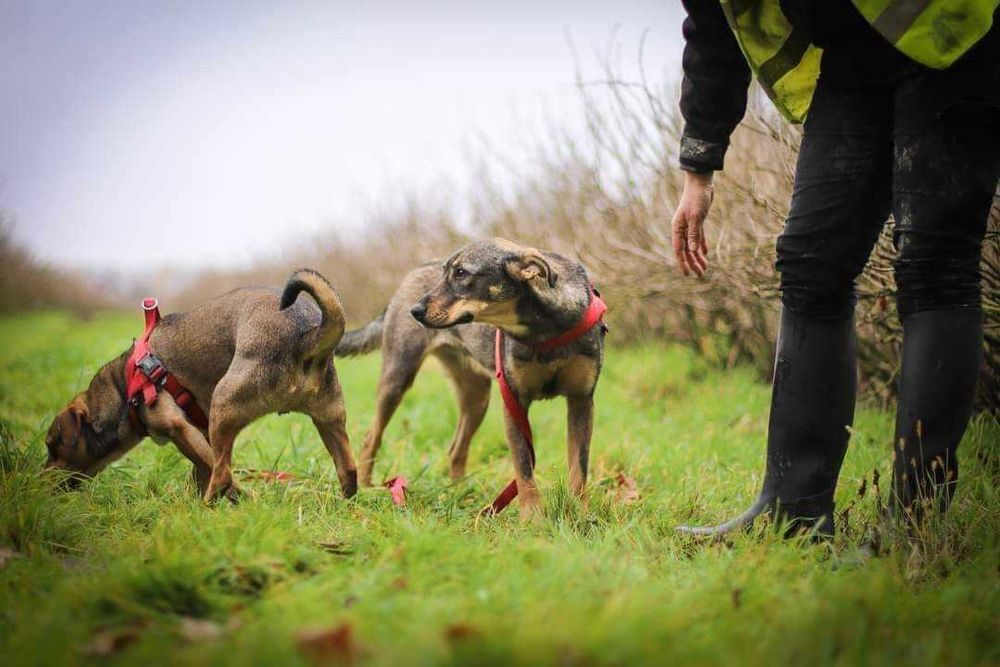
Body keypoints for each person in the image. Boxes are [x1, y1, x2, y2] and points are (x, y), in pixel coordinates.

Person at [672, 0, 999, 536]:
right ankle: (793, 513)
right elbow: (713, 24)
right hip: (854, 55)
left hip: (954, 32)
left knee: (934, 263)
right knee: (810, 263)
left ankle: (915, 525)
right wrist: (698, 167)